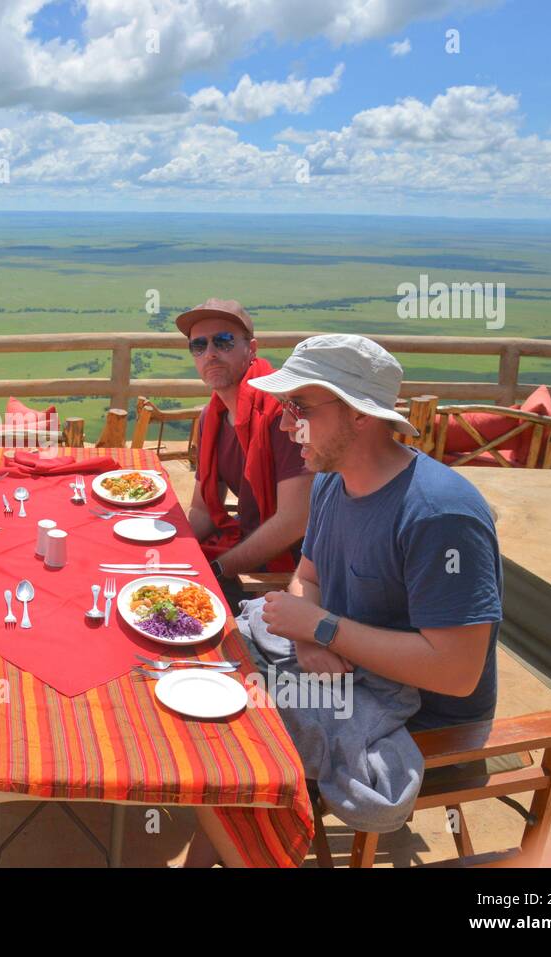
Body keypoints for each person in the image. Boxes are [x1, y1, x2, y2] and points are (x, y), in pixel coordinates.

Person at [180, 334, 503, 867]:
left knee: (233, 743)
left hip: (426, 718)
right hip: (342, 672)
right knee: (201, 692)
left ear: (359, 415)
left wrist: (324, 628)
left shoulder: (440, 516)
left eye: (299, 407)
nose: (285, 424)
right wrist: (309, 636)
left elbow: (456, 673)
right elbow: (307, 578)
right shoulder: (333, 481)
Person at [179, 298, 313, 613]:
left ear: (251, 349)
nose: (210, 353)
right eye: (198, 346)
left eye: (223, 341)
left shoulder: (283, 413)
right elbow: (201, 511)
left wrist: (217, 567)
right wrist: (176, 552)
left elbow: (295, 521)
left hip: (299, 567)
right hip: (246, 539)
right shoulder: (211, 416)